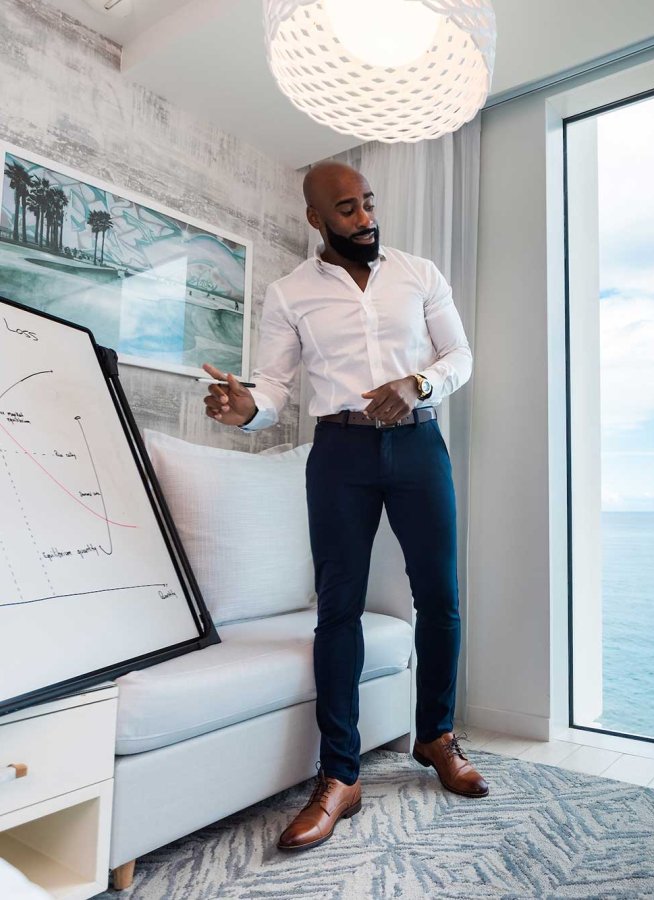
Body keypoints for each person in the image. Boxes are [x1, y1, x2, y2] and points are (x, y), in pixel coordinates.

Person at [201, 161, 488, 853]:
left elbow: (460, 354)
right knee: (338, 609)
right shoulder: (289, 292)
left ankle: (436, 738)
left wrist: (418, 382)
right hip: (338, 454)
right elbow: (271, 388)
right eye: (347, 209)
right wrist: (247, 410)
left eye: (367, 204)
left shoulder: (419, 272)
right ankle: (340, 775)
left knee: (441, 599)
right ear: (316, 219)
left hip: (418, 445)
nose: (364, 219)